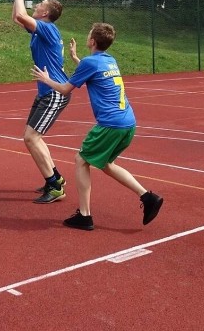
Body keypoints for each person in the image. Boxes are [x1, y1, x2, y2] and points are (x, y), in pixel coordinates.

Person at [32, 22, 163, 231]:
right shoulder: (109, 61)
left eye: (89, 34)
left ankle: (85, 215)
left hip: (110, 124)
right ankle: (148, 197)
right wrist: (76, 58)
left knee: (81, 161)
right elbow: (91, 70)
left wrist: (46, 80)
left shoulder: (90, 63)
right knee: (106, 164)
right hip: (128, 122)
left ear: (92, 41)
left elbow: (66, 89)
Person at [11, 0, 71, 204]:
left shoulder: (48, 29)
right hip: (47, 92)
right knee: (33, 137)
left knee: (31, 138)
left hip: (54, 92)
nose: (36, 5)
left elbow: (20, 13)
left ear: (45, 13)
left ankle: (55, 186)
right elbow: (17, 17)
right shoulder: (42, 29)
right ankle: (54, 178)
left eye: (40, 4)